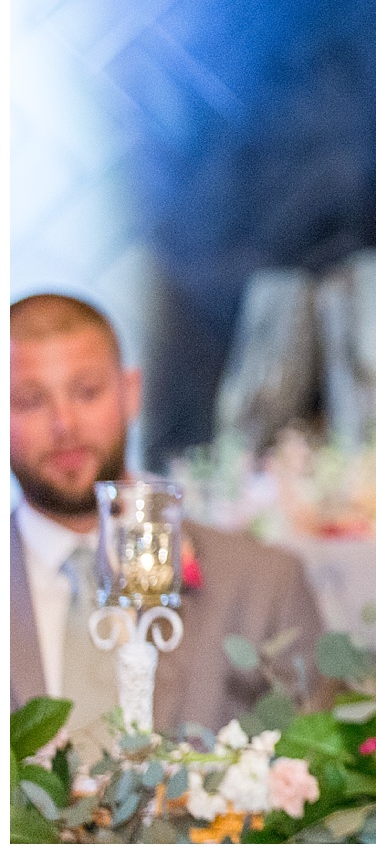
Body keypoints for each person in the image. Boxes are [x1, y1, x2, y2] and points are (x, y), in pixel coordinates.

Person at [10, 294, 326, 738]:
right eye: (29, 401)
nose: (65, 424)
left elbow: (318, 760)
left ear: (130, 393)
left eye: (87, 392)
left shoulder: (263, 584)